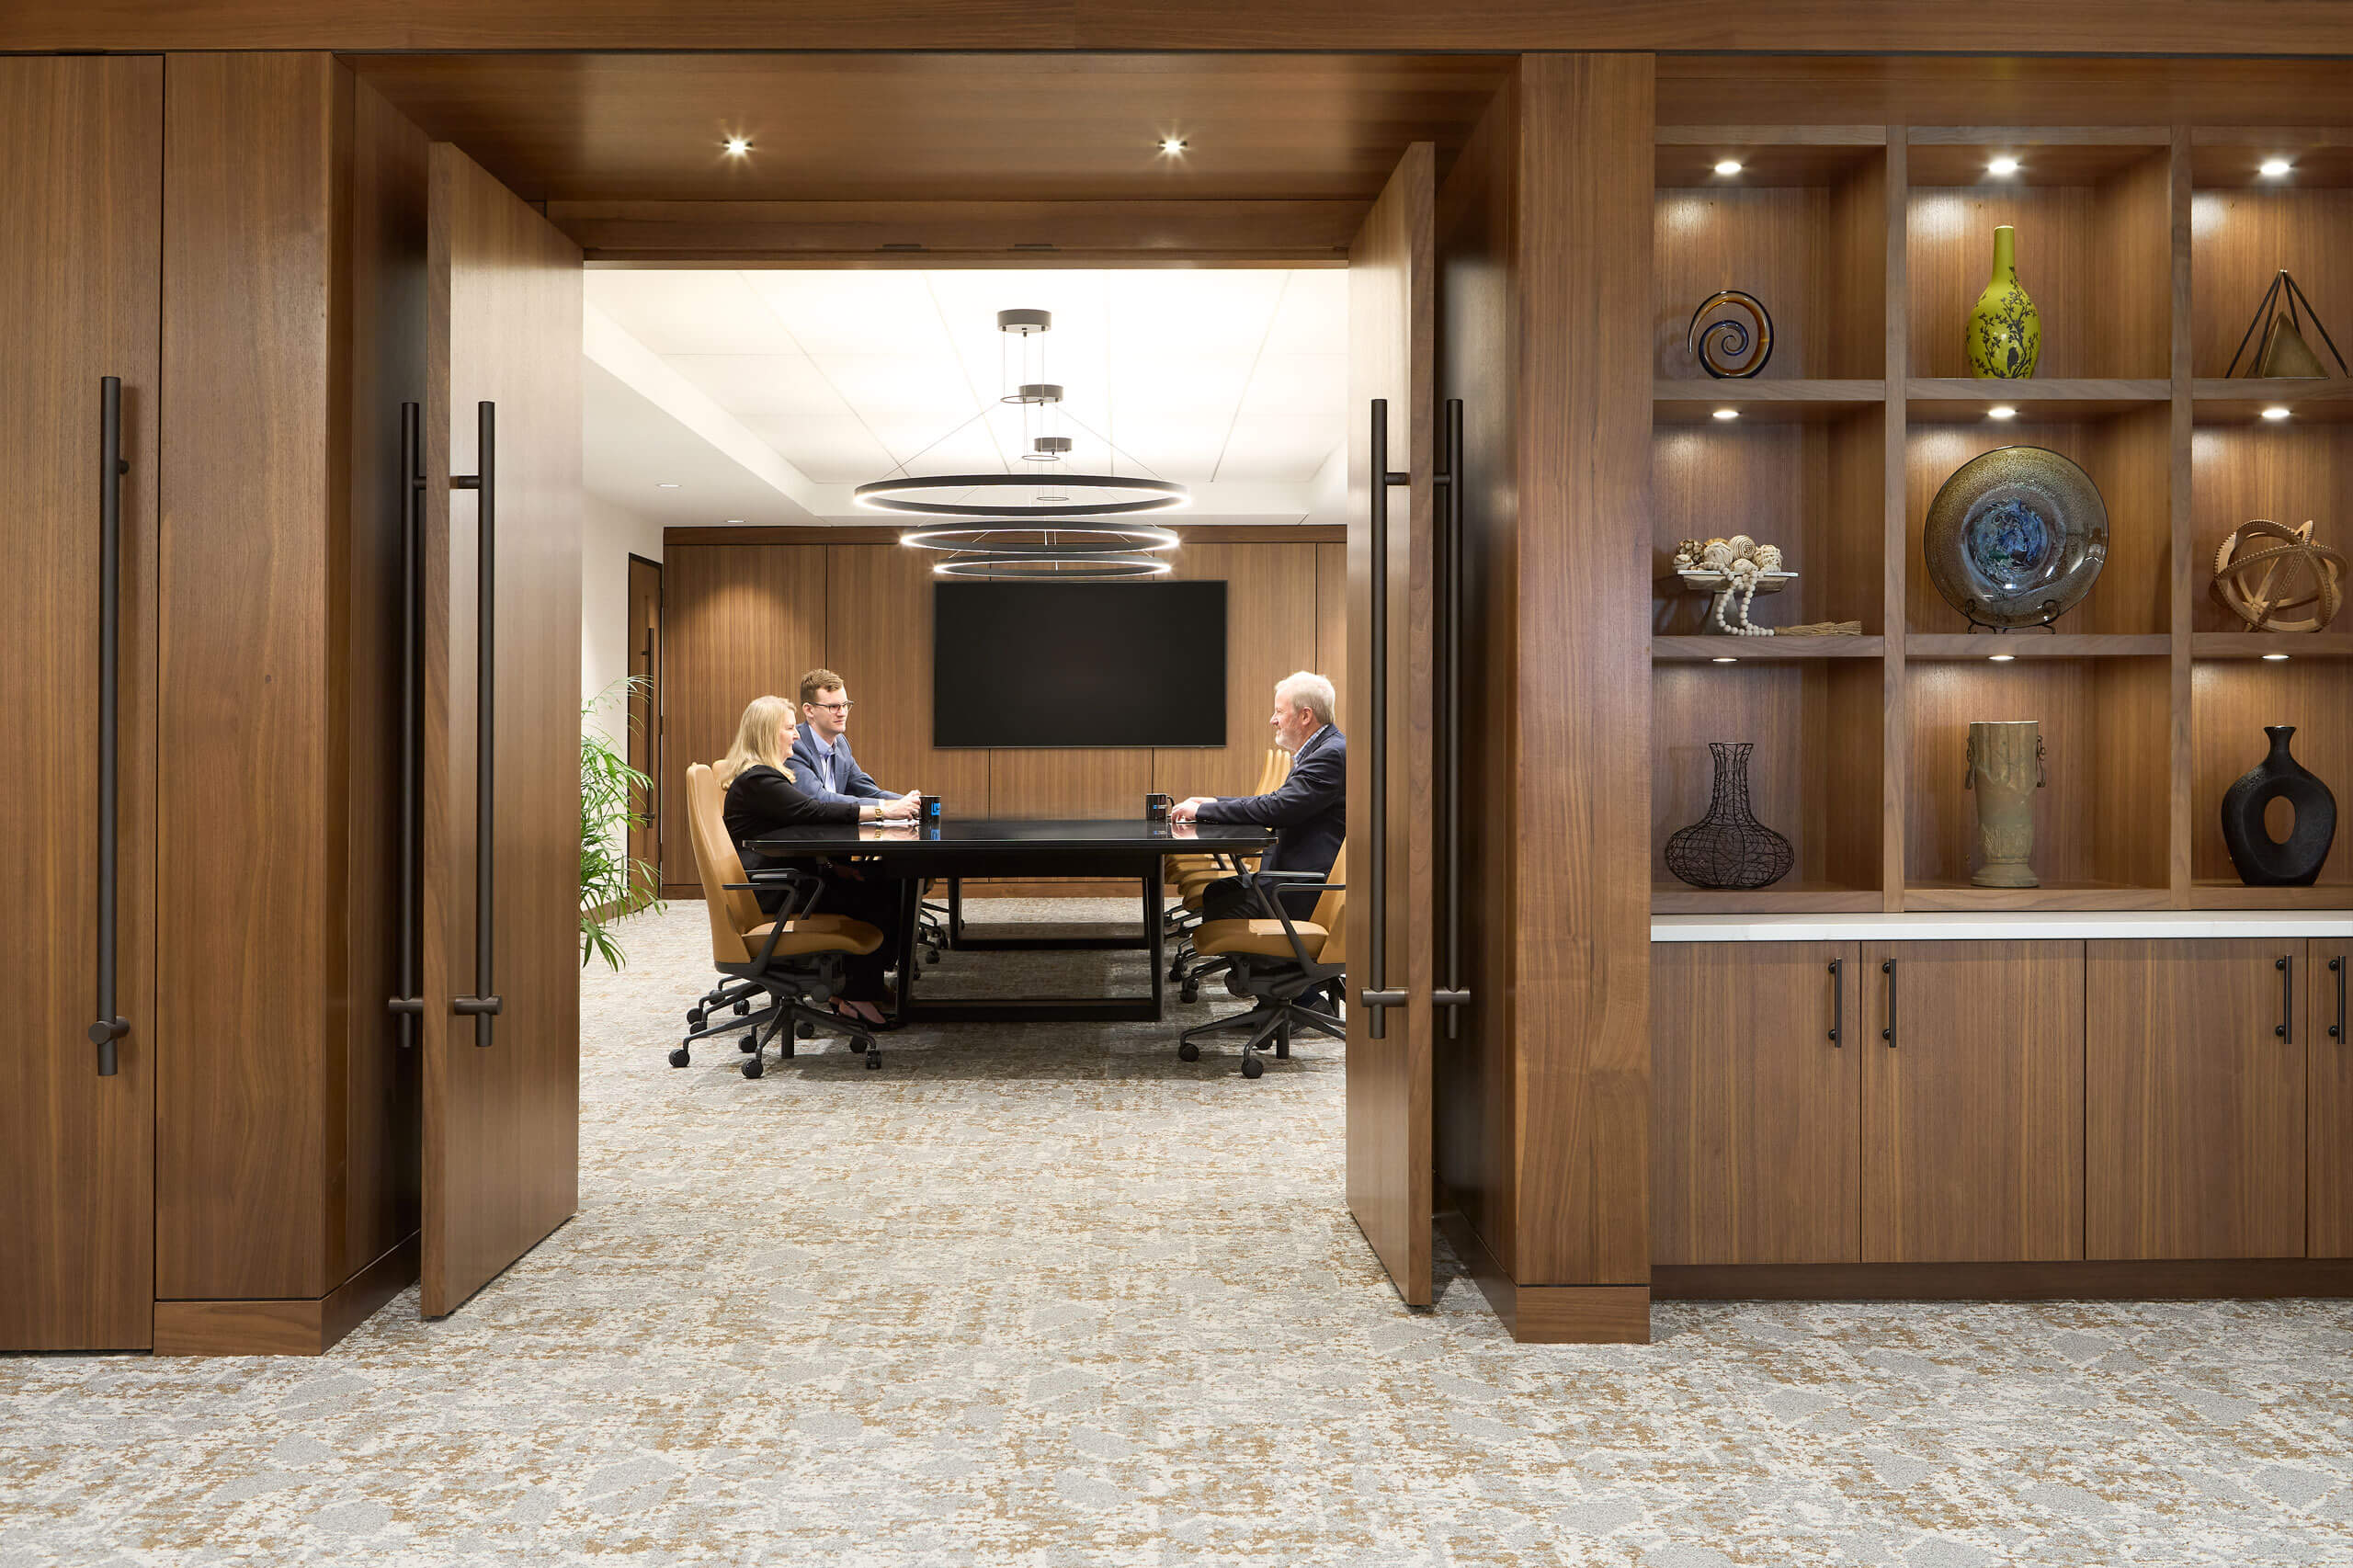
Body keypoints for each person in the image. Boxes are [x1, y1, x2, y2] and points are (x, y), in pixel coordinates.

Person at [718, 695, 915, 1027]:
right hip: (774, 887)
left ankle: (853, 987)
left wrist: (830, 866)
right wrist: (883, 811)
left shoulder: (765, 777)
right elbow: (813, 809)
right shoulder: (760, 780)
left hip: (783, 877)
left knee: (880, 879)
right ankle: (856, 994)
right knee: (878, 892)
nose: (796, 735)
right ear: (768, 734)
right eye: (788, 728)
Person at [1172, 671, 1345, 920]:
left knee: (1223, 904)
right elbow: (1277, 800)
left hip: (1302, 889)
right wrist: (1215, 803)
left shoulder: (1329, 755)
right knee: (1217, 892)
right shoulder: (1323, 749)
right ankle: (1255, 959)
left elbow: (1279, 808)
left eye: (1279, 712)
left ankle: (1272, 959)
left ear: (1306, 715)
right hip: (1287, 876)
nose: (1273, 720)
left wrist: (1203, 811)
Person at [790, 667, 921, 810]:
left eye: (845, 705)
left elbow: (868, 791)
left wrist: (911, 802)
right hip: (803, 831)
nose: (842, 713)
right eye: (833, 707)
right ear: (809, 710)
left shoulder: (841, 743)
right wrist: (887, 806)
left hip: (834, 830)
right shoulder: (794, 745)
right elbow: (818, 798)